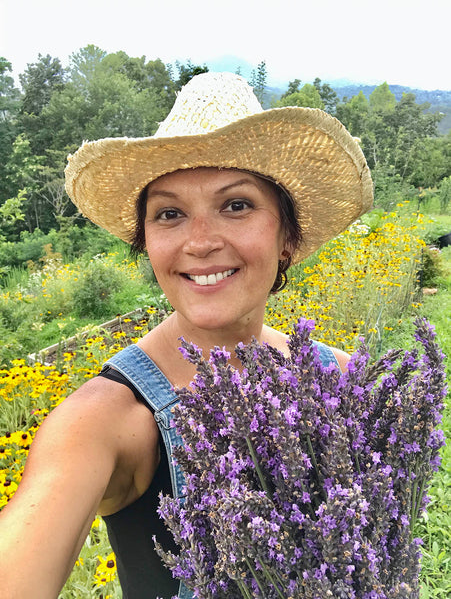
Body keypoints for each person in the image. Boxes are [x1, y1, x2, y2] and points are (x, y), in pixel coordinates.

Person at [0, 72, 373, 599]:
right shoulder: (107, 419)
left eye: (236, 205)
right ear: (147, 243)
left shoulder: (343, 380)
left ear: (288, 236)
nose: (199, 243)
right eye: (170, 214)